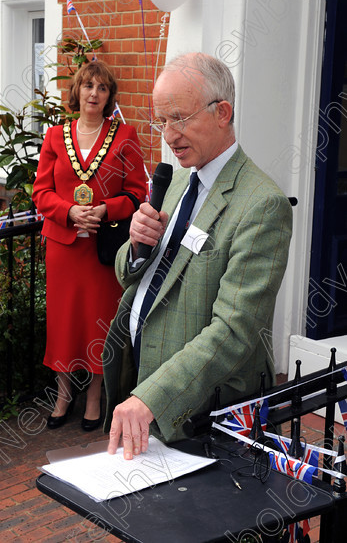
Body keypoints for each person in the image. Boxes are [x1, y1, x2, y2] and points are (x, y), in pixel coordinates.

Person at [103, 52, 293, 458]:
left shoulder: (262, 205)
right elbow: (134, 274)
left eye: (180, 118)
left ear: (222, 112)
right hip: (144, 381)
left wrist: (153, 396)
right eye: (162, 121)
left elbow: (235, 331)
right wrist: (136, 247)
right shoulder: (177, 182)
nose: (169, 135)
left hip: (203, 410)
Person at [32, 59, 146, 431]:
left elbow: (136, 193)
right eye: (87, 86)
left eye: (101, 88)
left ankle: (95, 396)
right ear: (76, 92)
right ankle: (64, 395)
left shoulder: (124, 135)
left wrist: (102, 209)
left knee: (100, 323)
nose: (94, 93)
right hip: (64, 247)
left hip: (103, 251)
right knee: (64, 322)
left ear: (110, 95)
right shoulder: (54, 137)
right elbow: (41, 193)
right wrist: (68, 212)